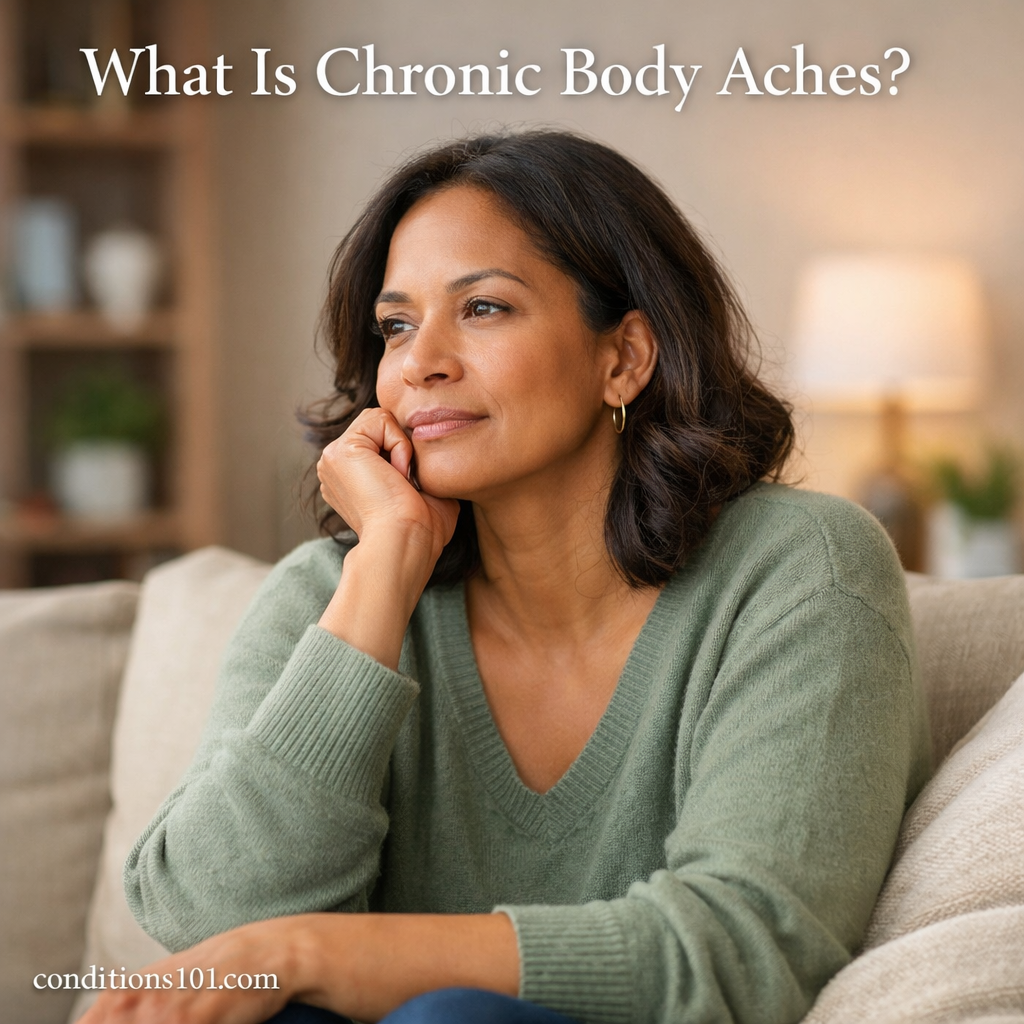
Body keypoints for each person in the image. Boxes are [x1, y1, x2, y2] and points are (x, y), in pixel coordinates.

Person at [82, 130, 930, 1024]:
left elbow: (740, 953)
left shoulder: (803, 569)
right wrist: (383, 577)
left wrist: (315, 951)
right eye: (396, 326)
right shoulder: (329, 595)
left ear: (624, 358)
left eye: (482, 309)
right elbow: (210, 929)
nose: (419, 362)